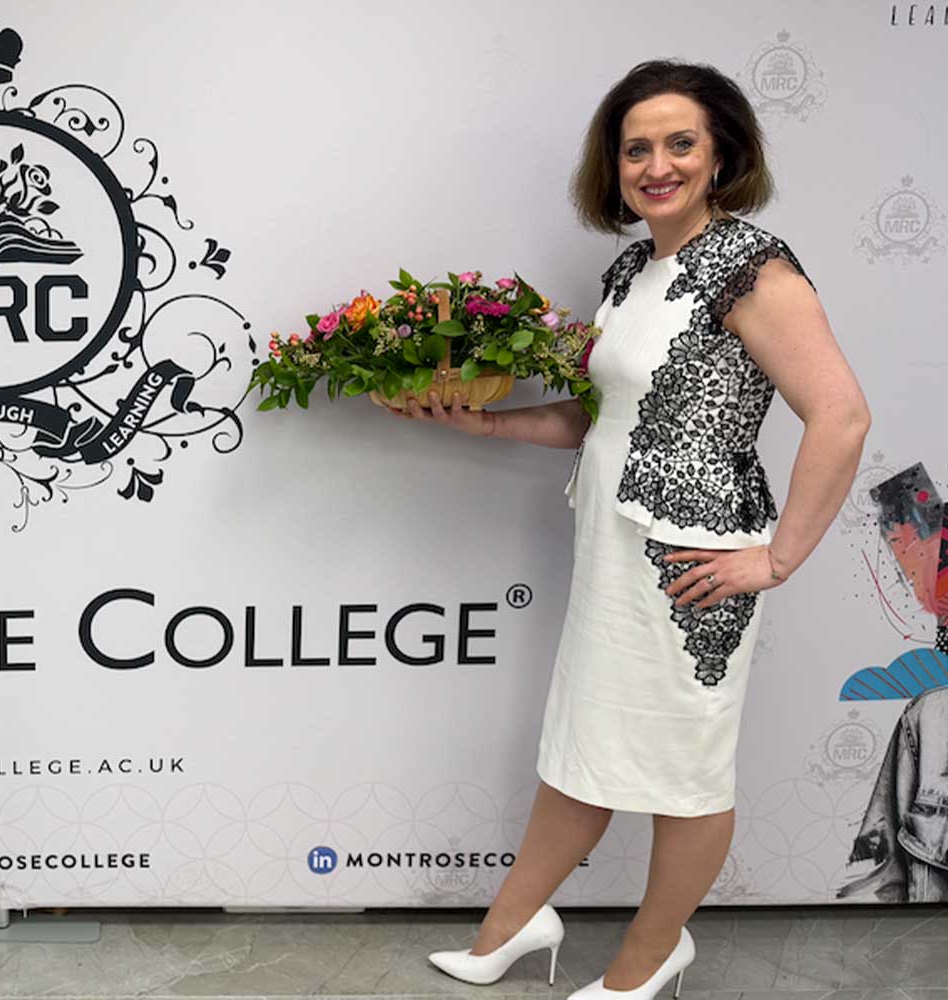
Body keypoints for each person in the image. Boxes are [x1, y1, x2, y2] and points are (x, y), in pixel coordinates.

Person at [398, 61, 871, 999]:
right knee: (585, 743)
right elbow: (601, 418)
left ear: (723, 153)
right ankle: (515, 923)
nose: (657, 165)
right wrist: (482, 425)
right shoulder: (631, 267)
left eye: (680, 143)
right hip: (610, 547)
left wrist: (776, 558)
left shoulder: (753, 267)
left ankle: (651, 958)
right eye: (636, 148)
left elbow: (842, 415)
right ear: (612, 166)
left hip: (692, 568)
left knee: (681, 768)